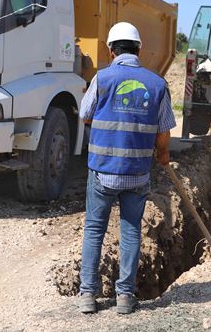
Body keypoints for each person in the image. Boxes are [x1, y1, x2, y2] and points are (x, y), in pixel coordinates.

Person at [77, 22, 175, 314]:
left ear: (110, 50)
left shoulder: (103, 78)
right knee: (131, 231)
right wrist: (163, 153)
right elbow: (164, 131)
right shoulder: (157, 84)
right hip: (137, 174)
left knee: (94, 231)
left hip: (102, 172)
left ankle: (87, 297)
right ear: (139, 50)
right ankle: (124, 298)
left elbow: (84, 115)